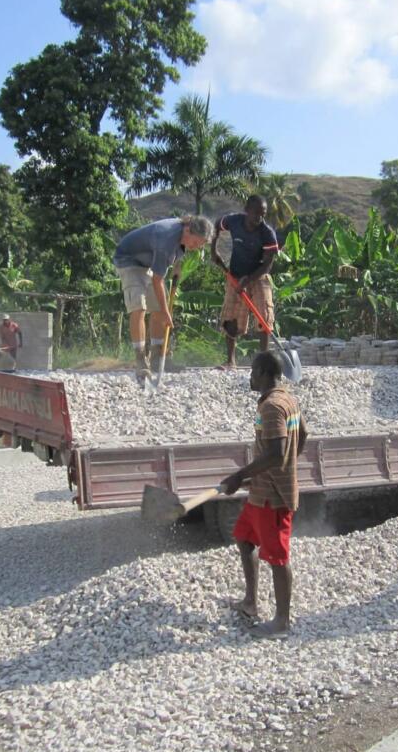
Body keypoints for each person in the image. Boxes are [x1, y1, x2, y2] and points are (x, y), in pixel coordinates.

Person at [221, 351, 308, 638]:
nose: (249, 377)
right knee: (244, 539)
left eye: (252, 372)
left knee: (278, 557)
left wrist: (240, 475)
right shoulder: (289, 400)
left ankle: (282, 622)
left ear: (263, 373)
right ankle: (250, 603)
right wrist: (276, 470)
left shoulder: (272, 407)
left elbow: (275, 452)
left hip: (273, 497)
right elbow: (302, 437)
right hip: (261, 492)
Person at [113, 215, 214, 380]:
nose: (195, 247)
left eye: (199, 245)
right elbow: (157, 280)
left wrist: (177, 265)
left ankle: (158, 358)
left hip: (147, 262)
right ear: (188, 230)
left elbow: (179, 251)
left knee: (159, 308)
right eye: (195, 243)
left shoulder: (183, 234)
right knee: (139, 306)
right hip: (128, 260)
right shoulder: (166, 238)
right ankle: (140, 360)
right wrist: (167, 313)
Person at [211, 195, 280, 368]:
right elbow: (216, 225)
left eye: (263, 214)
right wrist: (214, 250)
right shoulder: (233, 221)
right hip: (235, 275)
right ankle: (230, 361)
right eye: (256, 213)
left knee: (264, 318)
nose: (259, 218)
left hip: (258, 276)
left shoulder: (267, 233)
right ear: (246, 210)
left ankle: (262, 363)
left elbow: (267, 266)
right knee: (231, 318)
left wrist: (248, 280)